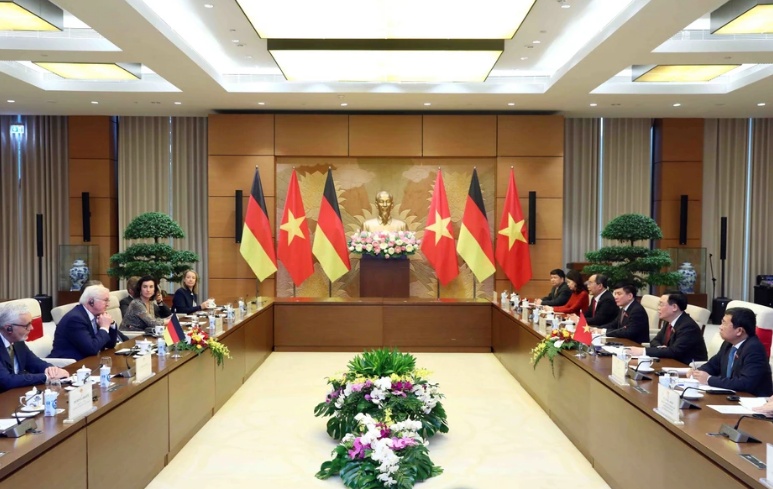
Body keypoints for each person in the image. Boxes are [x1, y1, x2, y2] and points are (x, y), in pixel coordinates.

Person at [689, 308, 772, 397]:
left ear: (739, 331)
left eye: (724, 323)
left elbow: (745, 383)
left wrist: (708, 379)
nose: (720, 327)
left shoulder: (754, 349)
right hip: (731, 395)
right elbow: (713, 365)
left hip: (752, 399)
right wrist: (698, 372)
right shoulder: (728, 343)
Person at [0, 303, 70, 391]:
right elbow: (7, 381)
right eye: (27, 325)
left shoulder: (18, 341)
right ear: (9, 328)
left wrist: (52, 370)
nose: (32, 328)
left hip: (17, 391)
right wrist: (46, 377)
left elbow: (35, 363)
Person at [628, 292, 708, 364]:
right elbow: (655, 341)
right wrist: (661, 348)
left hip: (687, 367)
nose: (658, 308)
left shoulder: (688, 327)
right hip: (670, 362)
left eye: (661, 304)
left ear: (674, 307)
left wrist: (642, 351)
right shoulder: (669, 321)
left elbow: (674, 351)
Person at [50, 285, 120, 362]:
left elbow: (110, 344)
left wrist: (111, 324)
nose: (108, 304)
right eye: (105, 300)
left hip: (90, 361)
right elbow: (92, 349)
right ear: (91, 301)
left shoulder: (97, 315)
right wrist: (104, 327)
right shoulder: (75, 319)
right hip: (69, 364)